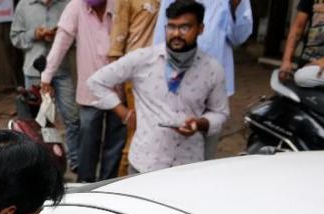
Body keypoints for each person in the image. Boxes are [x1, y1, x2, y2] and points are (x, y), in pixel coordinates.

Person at [89, 0, 229, 173]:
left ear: (200, 29)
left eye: (185, 28)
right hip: (144, 165)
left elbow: (220, 112)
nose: (176, 33)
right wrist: (123, 113)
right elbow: (96, 82)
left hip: (188, 167)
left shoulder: (212, 69)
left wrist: (200, 124)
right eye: (171, 27)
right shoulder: (142, 59)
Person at [153, 0, 251, 157]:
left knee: (206, 148)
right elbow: (161, 35)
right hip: (177, 81)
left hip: (213, 85)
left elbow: (239, 38)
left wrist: (235, 7)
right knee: (169, 145)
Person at [42, 0, 127, 182]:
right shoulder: (75, 7)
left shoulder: (120, 4)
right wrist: (46, 76)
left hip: (119, 88)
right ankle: (85, 184)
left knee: (115, 142)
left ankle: (109, 184)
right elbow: (61, 43)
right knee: (88, 142)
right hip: (90, 92)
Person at [10, 0, 81, 173]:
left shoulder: (67, 4)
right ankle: (41, 162)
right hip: (34, 72)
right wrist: (35, 34)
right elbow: (15, 38)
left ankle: (75, 160)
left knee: (72, 118)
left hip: (62, 71)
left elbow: (79, 37)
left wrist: (61, 36)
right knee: (37, 122)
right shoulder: (24, 5)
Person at [108, 0, 161, 175]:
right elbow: (117, 40)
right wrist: (119, 87)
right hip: (137, 74)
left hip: (165, 72)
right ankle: (124, 185)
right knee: (136, 132)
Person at [278, 0, 324, 86]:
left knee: (301, 77)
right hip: (308, 62)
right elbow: (298, 28)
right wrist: (286, 61)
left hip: (323, 68)